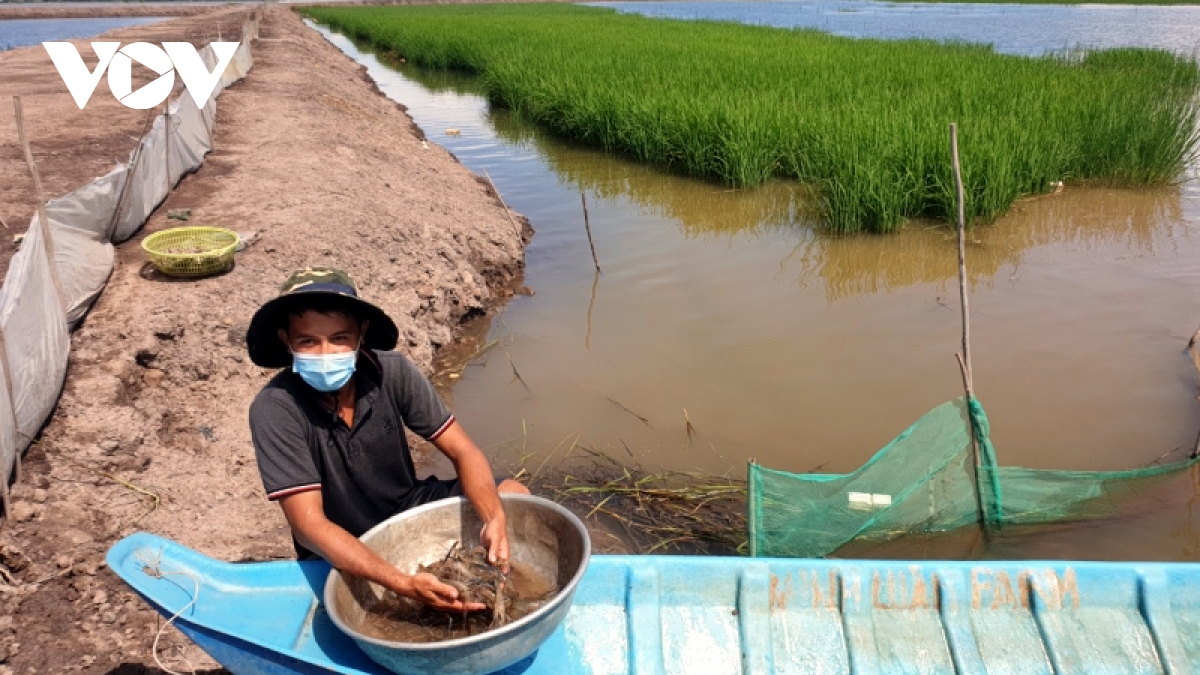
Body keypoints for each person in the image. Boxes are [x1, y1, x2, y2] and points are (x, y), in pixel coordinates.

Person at [246, 267, 529, 613]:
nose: (324, 353)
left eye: (339, 338)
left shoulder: (391, 372)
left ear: (361, 333)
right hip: (338, 541)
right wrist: (402, 583)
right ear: (286, 340)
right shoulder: (276, 409)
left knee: (514, 496)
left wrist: (492, 518)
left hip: (404, 507)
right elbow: (309, 526)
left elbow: (461, 448)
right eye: (308, 341)